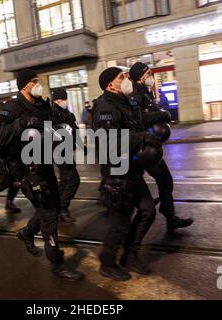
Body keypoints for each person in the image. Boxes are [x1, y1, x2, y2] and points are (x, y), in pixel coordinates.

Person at [0, 69, 84, 280]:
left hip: (46, 167)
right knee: (50, 215)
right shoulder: (11, 109)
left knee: (50, 208)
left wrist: (65, 129)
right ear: (24, 86)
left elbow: (55, 125)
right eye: (34, 81)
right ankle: (57, 263)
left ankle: (26, 233)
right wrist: (21, 124)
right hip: (29, 172)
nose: (38, 84)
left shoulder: (44, 105)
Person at [92, 67, 162, 281]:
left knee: (148, 210)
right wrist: (141, 138)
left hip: (131, 168)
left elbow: (137, 123)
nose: (126, 79)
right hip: (116, 171)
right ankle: (108, 262)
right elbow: (108, 142)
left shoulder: (126, 102)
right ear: (110, 85)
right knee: (120, 222)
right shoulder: (105, 107)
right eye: (121, 77)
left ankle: (130, 255)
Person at [129, 62, 194, 232]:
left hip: (150, 144)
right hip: (143, 147)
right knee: (162, 181)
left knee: (164, 181)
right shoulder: (135, 93)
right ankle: (164, 217)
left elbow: (151, 111)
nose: (150, 76)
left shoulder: (144, 91)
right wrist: (162, 114)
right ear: (140, 76)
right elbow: (140, 118)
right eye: (147, 73)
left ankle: (168, 215)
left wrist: (162, 113)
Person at [51, 88, 80, 223]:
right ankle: (63, 209)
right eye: (62, 99)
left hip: (66, 150)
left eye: (65, 99)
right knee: (74, 180)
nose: (64, 102)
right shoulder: (52, 114)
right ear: (57, 100)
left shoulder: (66, 112)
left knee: (64, 181)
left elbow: (73, 128)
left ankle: (57, 208)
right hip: (59, 151)